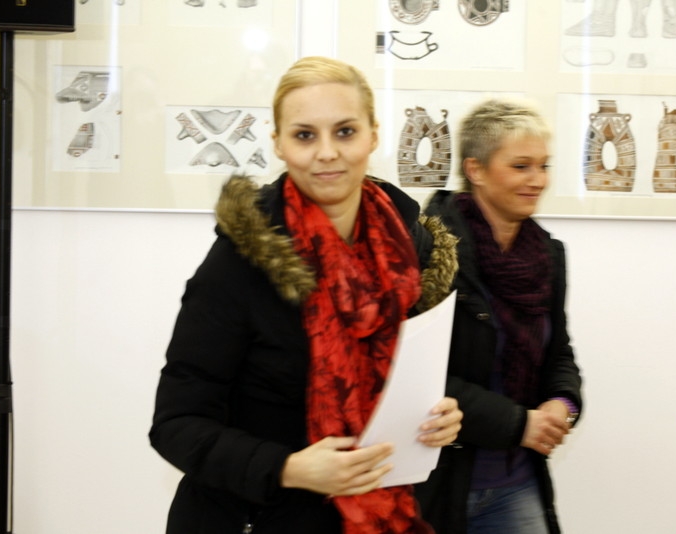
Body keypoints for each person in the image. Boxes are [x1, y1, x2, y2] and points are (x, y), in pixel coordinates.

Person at [149, 56, 461, 534]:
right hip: (251, 519)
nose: (327, 153)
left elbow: (407, 380)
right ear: (278, 143)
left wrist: (438, 419)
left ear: (373, 135)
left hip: (377, 513)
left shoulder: (411, 249)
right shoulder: (240, 261)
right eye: (305, 135)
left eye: (345, 131)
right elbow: (176, 424)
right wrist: (289, 468)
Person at [414, 99, 583, 534]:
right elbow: (416, 376)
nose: (537, 180)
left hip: (516, 482)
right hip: (436, 483)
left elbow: (558, 352)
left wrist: (562, 405)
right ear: (476, 169)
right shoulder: (427, 249)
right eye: (521, 166)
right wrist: (517, 423)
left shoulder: (548, 256)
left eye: (543, 166)